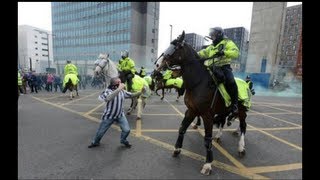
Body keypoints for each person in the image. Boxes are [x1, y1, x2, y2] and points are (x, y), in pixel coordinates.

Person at [88, 77, 145, 148]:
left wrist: (141, 92)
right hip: (109, 116)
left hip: (120, 115)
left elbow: (131, 95)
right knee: (101, 132)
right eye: (119, 82)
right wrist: (119, 89)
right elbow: (108, 98)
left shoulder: (122, 91)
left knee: (126, 130)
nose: (121, 84)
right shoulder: (107, 91)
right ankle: (95, 142)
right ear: (114, 84)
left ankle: (123, 140)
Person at [198, 27, 240, 117]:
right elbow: (203, 53)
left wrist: (224, 52)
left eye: (213, 35)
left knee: (231, 82)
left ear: (219, 34)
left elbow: (236, 53)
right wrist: (194, 54)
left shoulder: (227, 42)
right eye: (211, 35)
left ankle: (235, 104)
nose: (212, 37)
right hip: (211, 68)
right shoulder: (211, 47)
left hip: (224, 67)